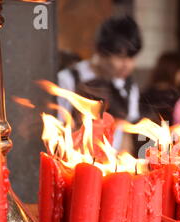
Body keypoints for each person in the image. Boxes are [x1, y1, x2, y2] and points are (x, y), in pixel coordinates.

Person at [57, 15, 144, 151]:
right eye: (120, 57)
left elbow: (125, 133)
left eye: (132, 57)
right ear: (100, 51)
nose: (127, 65)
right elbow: (58, 130)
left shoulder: (129, 86)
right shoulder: (69, 79)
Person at [140, 52, 180, 125]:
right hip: (167, 133)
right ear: (173, 71)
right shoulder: (174, 96)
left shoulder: (146, 92)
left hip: (144, 133)